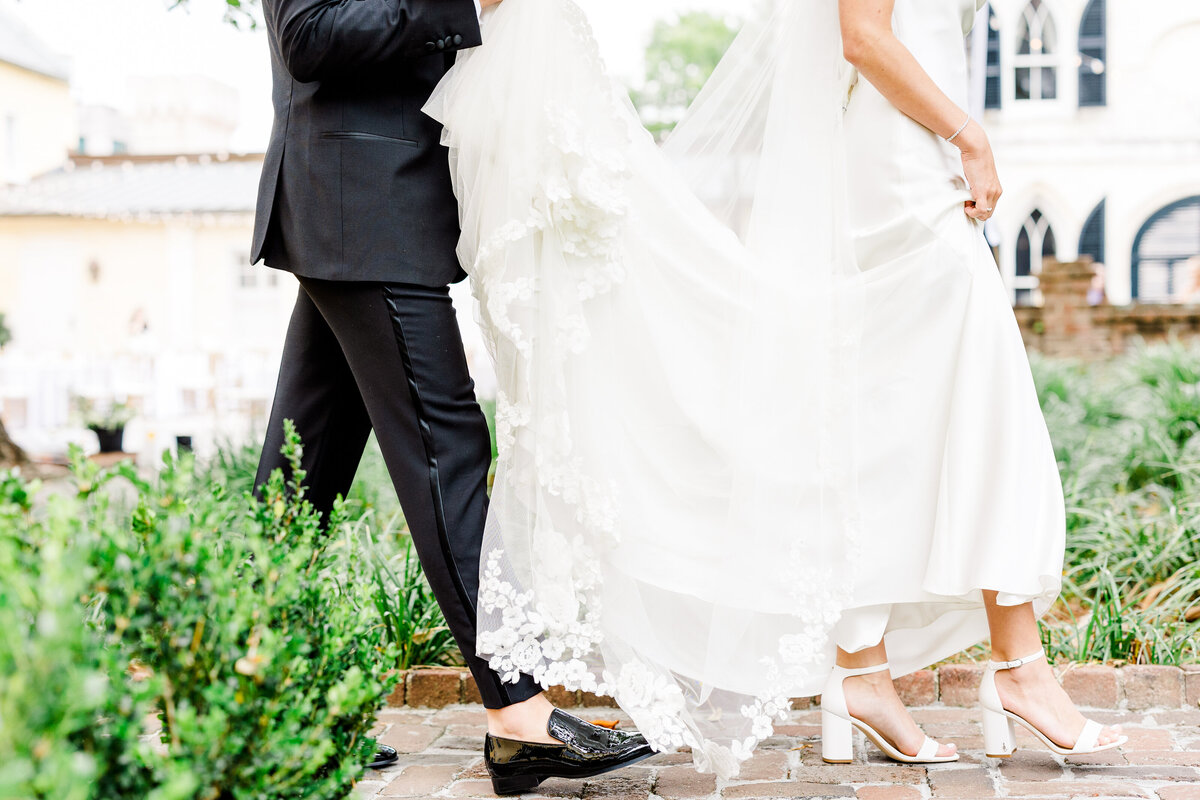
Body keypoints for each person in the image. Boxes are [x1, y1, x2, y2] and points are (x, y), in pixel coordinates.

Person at [424, 0, 1127, 782]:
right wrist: (971, 134)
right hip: (907, 165)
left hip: (914, 153)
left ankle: (867, 668)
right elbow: (863, 36)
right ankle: (1013, 661)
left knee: (896, 416)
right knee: (973, 399)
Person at [250, 0, 653, 786]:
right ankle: (518, 713)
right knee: (448, 451)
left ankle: (258, 707)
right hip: (362, 206)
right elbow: (306, 36)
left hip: (364, 204)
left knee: (300, 480)